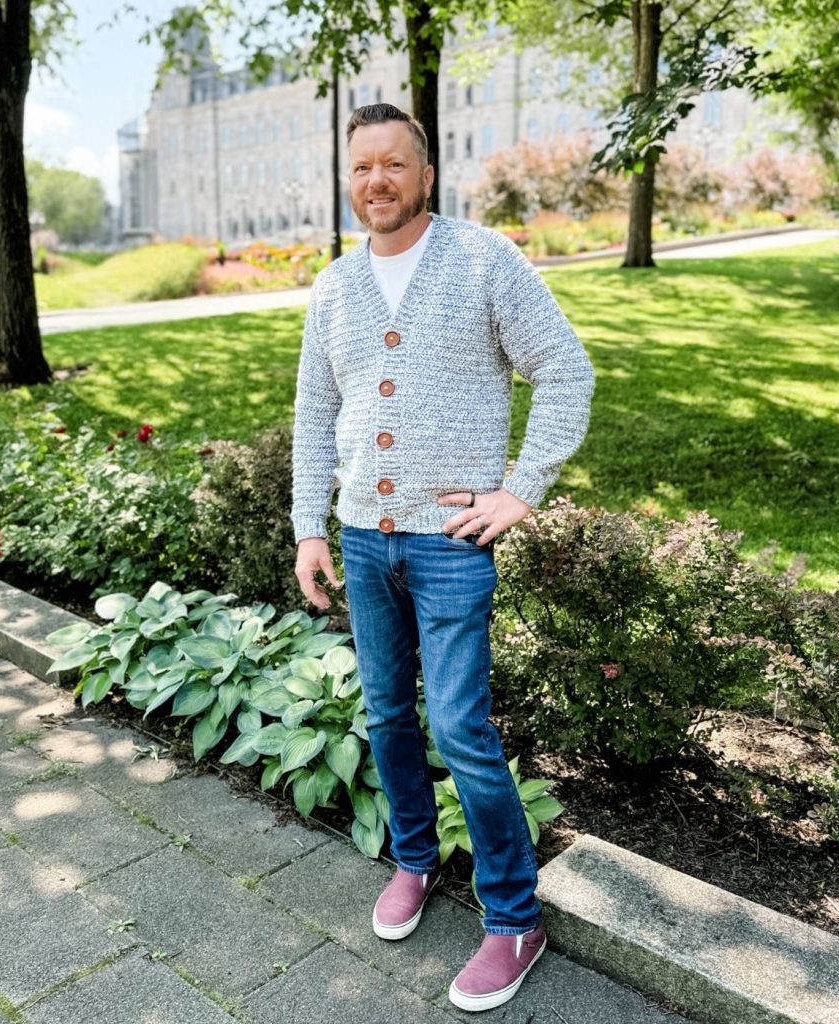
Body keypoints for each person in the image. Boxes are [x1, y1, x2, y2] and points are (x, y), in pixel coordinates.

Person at [291, 103, 594, 1013]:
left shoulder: (482, 259)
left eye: (392, 164)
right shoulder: (334, 288)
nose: (374, 181)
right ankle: (415, 863)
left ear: (424, 174)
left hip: (450, 542)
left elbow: (566, 368)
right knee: (385, 716)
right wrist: (312, 525)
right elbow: (315, 414)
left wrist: (522, 487)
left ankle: (513, 917)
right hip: (362, 534)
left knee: (460, 726)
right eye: (360, 168)